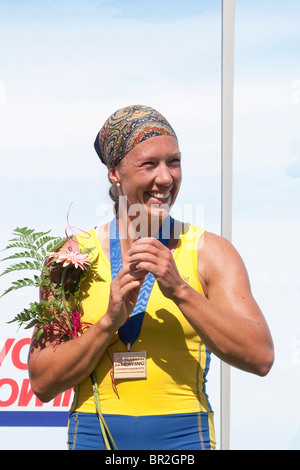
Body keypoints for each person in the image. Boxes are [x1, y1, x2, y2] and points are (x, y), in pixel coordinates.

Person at [28, 105, 274, 450]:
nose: (166, 178)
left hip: (184, 440)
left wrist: (180, 290)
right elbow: (42, 381)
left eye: (173, 162)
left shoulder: (210, 252)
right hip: (94, 437)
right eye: (149, 164)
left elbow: (260, 357)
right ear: (115, 173)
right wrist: (108, 323)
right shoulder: (71, 258)